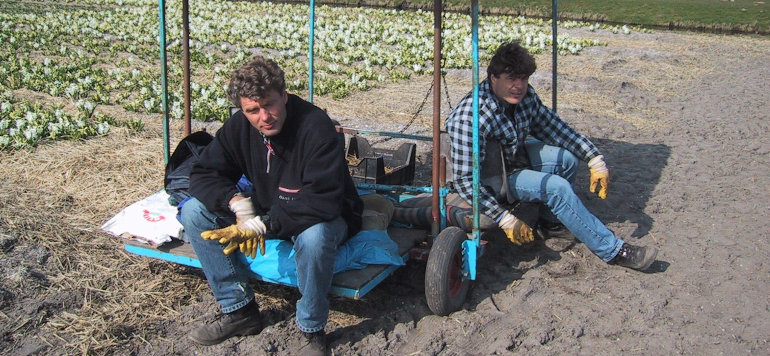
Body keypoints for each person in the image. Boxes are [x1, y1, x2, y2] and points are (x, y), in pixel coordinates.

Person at [180, 55, 363, 355]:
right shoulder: (240, 127)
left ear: (285, 96)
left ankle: (311, 329)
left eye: (270, 104)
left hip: (324, 215)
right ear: (242, 110)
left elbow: (323, 201)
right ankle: (239, 310)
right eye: (253, 110)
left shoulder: (316, 128)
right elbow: (203, 173)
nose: (264, 116)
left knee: (314, 237)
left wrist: (264, 225)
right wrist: (238, 204)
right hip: (271, 211)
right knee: (193, 211)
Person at [445, 41, 658, 271]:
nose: (519, 86)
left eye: (524, 79)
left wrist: (594, 158)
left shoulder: (525, 98)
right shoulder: (470, 118)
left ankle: (550, 224)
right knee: (557, 188)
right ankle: (614, 251)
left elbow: (555, 128)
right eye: (511, 79)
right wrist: (504, 218)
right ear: (492, 78)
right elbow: (465, 182)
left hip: (513, 161)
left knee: (566, 160)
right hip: (492, 179)